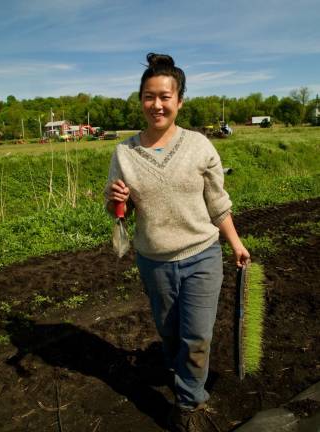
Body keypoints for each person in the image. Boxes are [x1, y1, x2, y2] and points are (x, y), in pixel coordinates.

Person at [105, 53, 250, 432]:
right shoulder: (124, 153)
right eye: (149, 96)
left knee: (197, 335)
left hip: (202, 255)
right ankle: (179, 371)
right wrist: (116, 200)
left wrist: (235, 244)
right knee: (170, 335)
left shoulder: (200, 145)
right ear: (140, 100)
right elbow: (118, 210)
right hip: (154, 260)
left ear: (179, 100)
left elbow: (217, 203)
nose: (157, 104)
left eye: (165, 96)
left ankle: (189, 405)